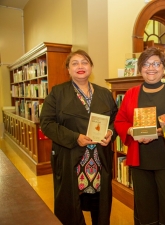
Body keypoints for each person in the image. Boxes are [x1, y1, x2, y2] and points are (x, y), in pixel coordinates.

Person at [40, 50, 118, 225]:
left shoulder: (104, 93)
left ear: (91, 67)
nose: (80, 66)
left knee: (100, 204)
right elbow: (47, 123)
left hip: (99, 159)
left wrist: (111, 133)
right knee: (71, 205)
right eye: (75, 63)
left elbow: (116, 120)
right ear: (68, 69)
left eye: (84, 62)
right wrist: (75, 137)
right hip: (71, 158)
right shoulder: (57, 93)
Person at [114, 47, 165, 225]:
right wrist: (132, 131)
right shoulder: (131, 93)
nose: (151, 68)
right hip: (141, 161)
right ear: (140, 69)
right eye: (146, 64)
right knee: (145, 208)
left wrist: (161, 132)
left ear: (163, 67)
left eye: (156, 63)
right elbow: (120, 121)